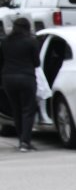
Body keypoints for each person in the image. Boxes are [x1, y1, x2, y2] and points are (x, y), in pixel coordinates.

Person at [2, 17, 38, 152]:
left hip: (8, 79)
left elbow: (2, 61)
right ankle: (25, 141)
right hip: (26, 77)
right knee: (28, 110)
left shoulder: (5, 42)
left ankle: (21, 140)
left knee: (16, 110)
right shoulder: (31, 42)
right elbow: (37, 63)